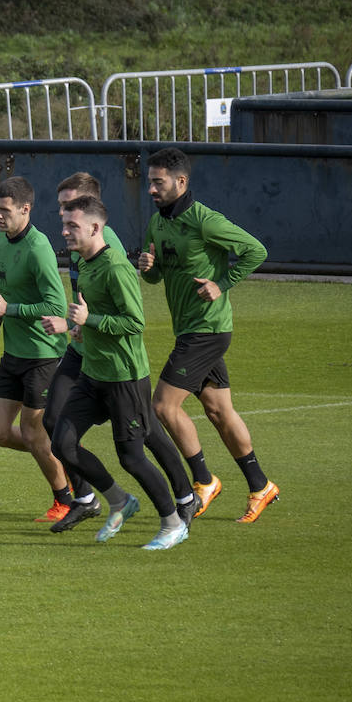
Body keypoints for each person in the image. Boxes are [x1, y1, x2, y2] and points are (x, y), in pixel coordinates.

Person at [42, 173, 199, 532]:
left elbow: (134, 322)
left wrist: (88, 319)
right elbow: (92, 307)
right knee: (62, 441)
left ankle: (177, 515)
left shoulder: (113, 262)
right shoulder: (83, 259)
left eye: (71, 216)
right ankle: (115, 500)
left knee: (134, 451)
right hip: (92, 369)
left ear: (94, 222)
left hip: (123, 374)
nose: (64, 225)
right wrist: (80, 325)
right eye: (62, 215)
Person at [138, 147, 277, 523]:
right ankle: (261, 485)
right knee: (218, 410)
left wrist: (222, 283)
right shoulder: (158, 223)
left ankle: (202, 481)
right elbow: (156, 277)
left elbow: (255, 251)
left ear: (181, 182)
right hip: (189, 328)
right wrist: (147, 268)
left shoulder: (205, 220)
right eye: (149, 181)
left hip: (207, 330)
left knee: (163, 406)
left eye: (158, 182)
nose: (151, 188)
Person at [0, 176, 72, 522]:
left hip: (43, 356)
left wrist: (11, 311)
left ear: (26, 209)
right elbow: (12, 294)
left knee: (34, 432)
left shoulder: (39, 248)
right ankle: (65, 460)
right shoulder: (3, 241)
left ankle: (64, 498)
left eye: (5, 211)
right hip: (13, 353)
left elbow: (56, 304)